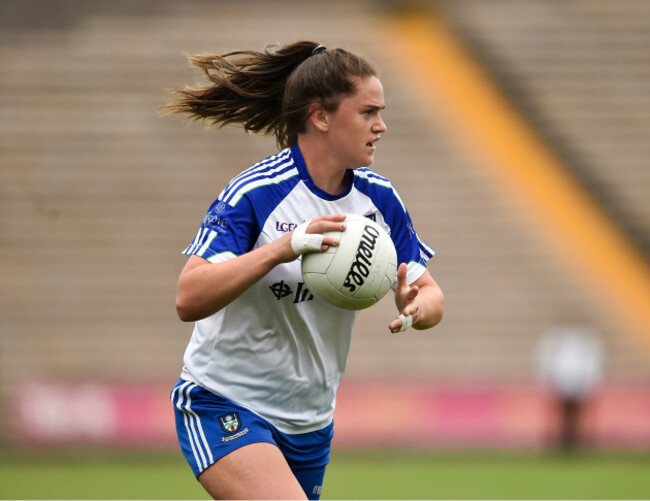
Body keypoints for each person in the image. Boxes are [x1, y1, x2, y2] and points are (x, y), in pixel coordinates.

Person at [165, 40, 444, 500]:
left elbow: (429, 292)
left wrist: (418, 306)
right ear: (321, 116)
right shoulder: (256, 192)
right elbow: (188, 297)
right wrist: (283, 248)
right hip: (225, 402)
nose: (382, 125)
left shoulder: (379, 200)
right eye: (368, 112)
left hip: (309, 423)